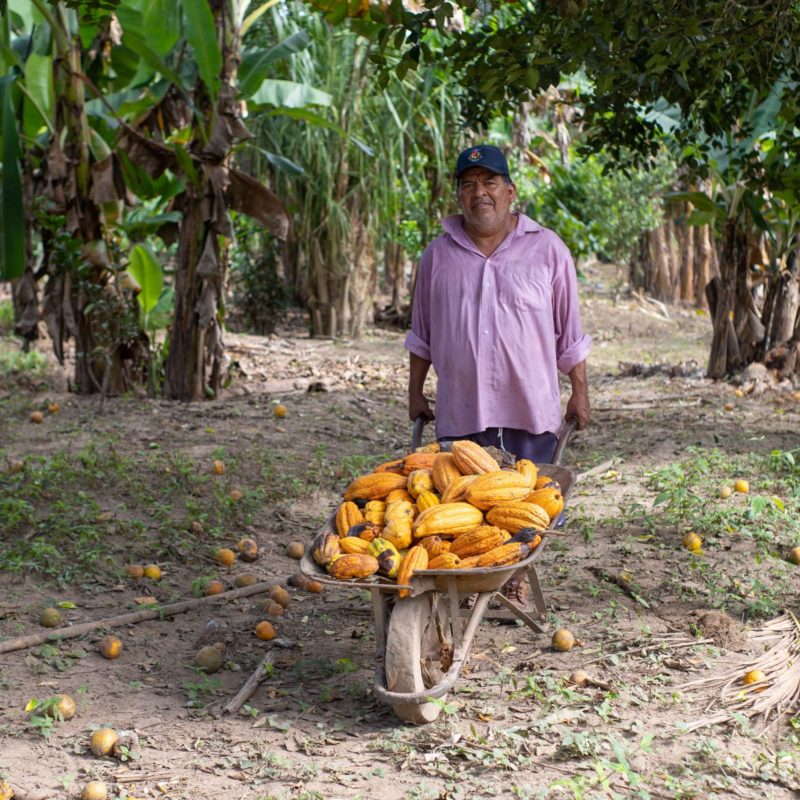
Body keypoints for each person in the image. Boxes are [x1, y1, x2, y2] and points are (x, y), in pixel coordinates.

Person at [404, 144, 591, 608]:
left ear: (510, 192)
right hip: (462, 408)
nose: (479, 193)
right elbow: (422, 334)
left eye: (489, 183)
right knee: (462, 506)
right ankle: (470, 581)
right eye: (468, 185)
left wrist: (580, 391)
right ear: (459, 197)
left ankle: (514, 581)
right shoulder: (437, 256)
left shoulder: (547, 249)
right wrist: (414, 391)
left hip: (530, 408)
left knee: (524, 503)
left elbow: (570, 332)